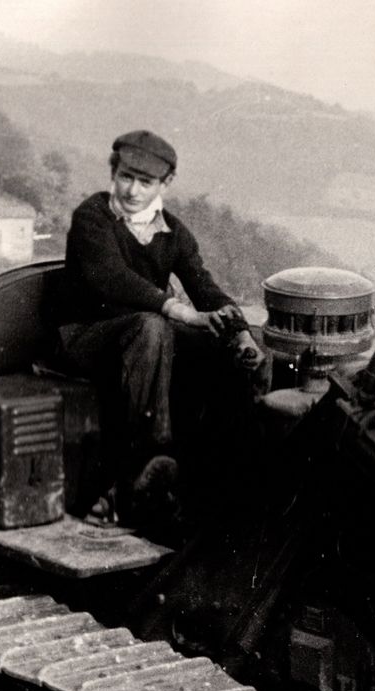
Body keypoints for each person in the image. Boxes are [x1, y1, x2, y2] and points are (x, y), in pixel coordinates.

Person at [55, 129, 263, 527]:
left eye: (145, 182)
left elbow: (204, 288)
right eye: (125, 177)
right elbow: (110, 278)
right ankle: (139, 470)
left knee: (225, 349)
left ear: (165, 184)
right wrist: (177, 310)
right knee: (152, 327)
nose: (132, 190)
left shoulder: (174, 233)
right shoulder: (92, 217)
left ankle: (218, 475)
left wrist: (240, 335)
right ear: (114, 173)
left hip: (142, 336)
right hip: (83, 336)